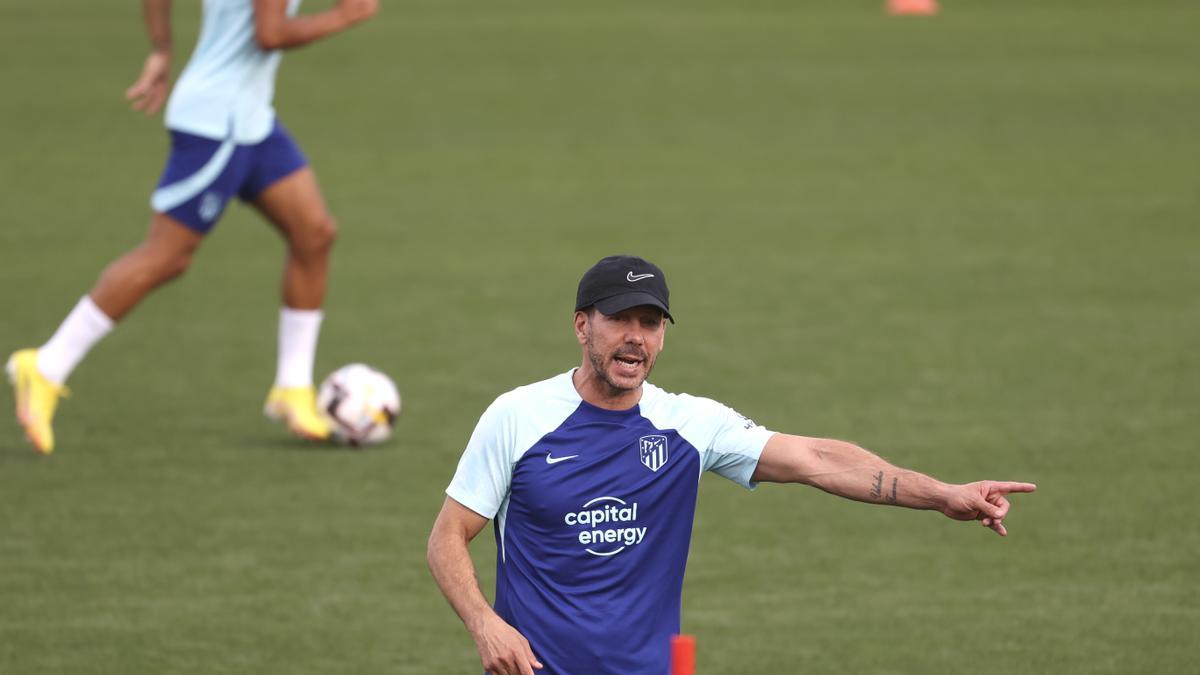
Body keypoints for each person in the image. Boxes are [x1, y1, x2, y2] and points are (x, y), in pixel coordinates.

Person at [427, 254, 1037, 675]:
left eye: (651, 322)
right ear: (582, 325)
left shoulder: (690, 424)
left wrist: (943, 494)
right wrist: (485, 625)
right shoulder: (518, 417)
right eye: (620, 320)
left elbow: (818, 459)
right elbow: (447, 537)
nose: (636, 337)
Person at [6, 0, 378, 454]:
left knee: (314, 233)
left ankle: (292, 388)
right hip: (216, 125)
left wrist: (161, 49)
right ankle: (45, 365)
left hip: (251, 120)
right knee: (167, 256)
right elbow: (271, 33)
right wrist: (346, 15)